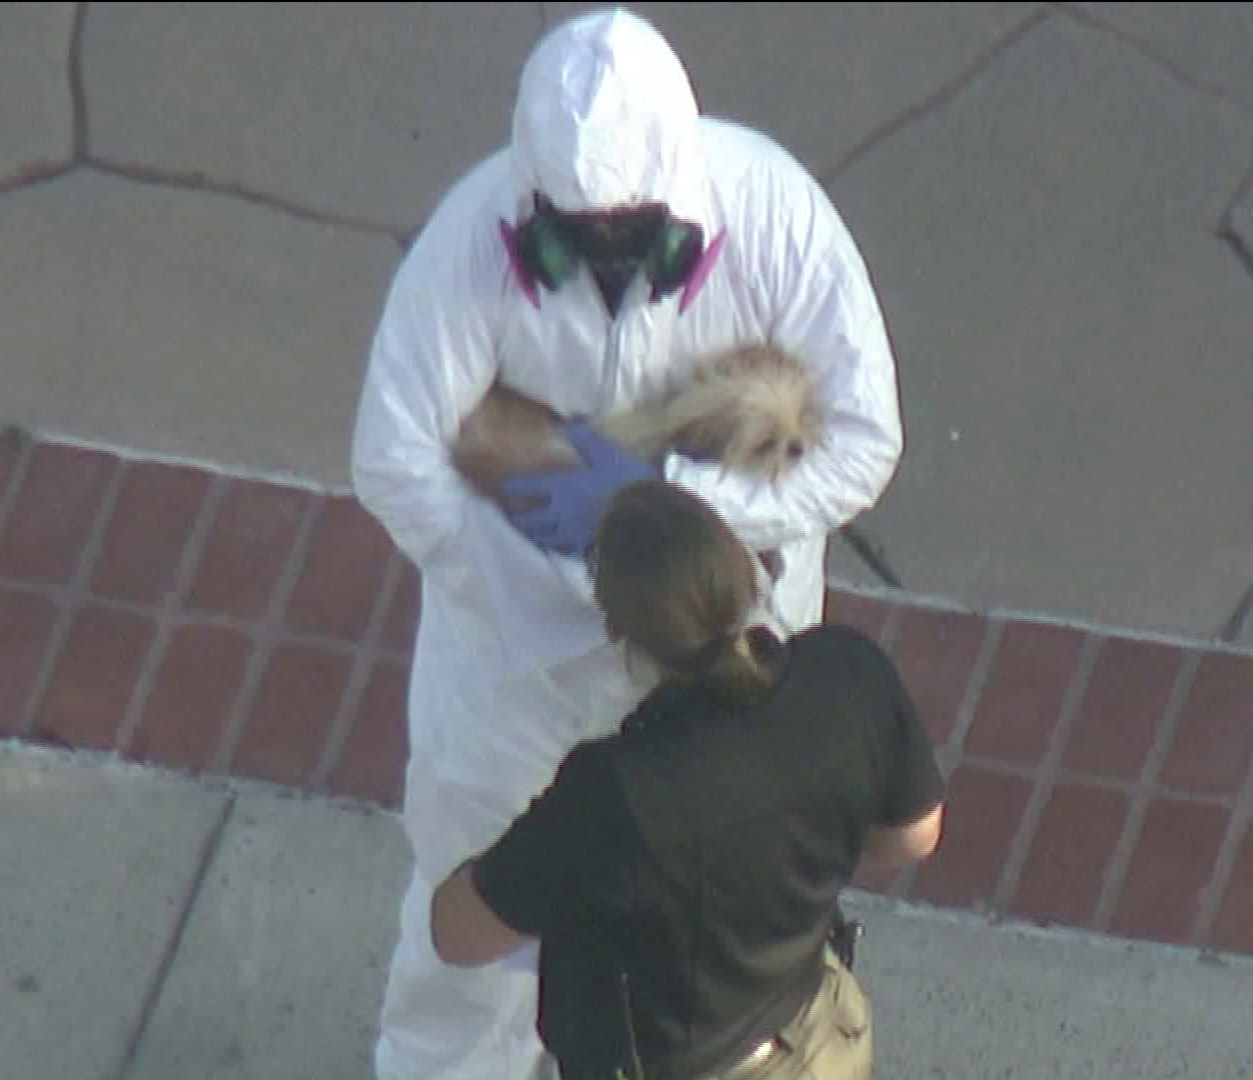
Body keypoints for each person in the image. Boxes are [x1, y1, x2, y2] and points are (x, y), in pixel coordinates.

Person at [348, 8, 905, 1079]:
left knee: (709, 936)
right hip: (517, 687)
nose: (602, 247)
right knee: (465, 969)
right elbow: (393, 461)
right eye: (572, 229)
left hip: (721, 664)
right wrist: (542, 587)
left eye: (627, 226)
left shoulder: (778, 218)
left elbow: (866, 443)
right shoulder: (472, 243)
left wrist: (667, 509)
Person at [430, 479, 946, 1080]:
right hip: (815, 1041)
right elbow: (913, 837)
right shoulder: (846, 670)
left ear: (622, 634)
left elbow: (458, 931)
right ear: (745, 574)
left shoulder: (613, 795)